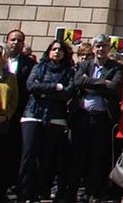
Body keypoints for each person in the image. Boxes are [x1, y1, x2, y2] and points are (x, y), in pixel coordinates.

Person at [19, 39, 75, 203]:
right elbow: (31, 86)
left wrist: (43, 90)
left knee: (47, 158)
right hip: (33, 113)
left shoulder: (69, 71)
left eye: (60, 49)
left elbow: (68, 93)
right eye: (53, 49)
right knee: (28, 156)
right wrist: (55, 87)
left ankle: (38, 193)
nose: (56, 52)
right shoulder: (38, 67)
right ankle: (23, 194)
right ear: (49, 51)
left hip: (55, 118)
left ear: (65, 53)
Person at [71, 33, 123, 202]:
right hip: (82, 117)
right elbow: (78, 82)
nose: (101, 49)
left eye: (104, 46)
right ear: (93, 48)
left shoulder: (115, 67)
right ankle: (73, 191)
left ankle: (93, 191)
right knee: (78, 154)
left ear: (109, 48)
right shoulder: (85, 65)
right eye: (98, 46)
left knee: (97, 156)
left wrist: (90, 83)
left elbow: (114, 87)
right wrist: (103, 83)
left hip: (102, 119)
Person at [0, 29, 34, 202]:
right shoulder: (0, 61)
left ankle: (1, 189)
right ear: (6, 41)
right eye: (12, 40)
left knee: (9, 155)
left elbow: (21, 94)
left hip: (13, 117)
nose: (15, 43)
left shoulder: (28, 64)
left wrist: (8, 115)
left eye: (19, 40)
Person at [0, 43, 19, 200]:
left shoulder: (10, 78)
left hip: (2, 123)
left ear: (5, 57)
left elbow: (14, 100)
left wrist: (5, 116)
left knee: (0, 161)